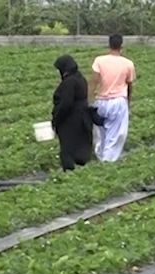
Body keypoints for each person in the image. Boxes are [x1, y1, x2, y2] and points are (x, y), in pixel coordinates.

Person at [90, 34, 135, 163]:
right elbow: (129, 85)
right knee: (115, 134)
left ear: (109, 44)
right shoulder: (128, 64)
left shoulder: (99, 60)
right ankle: (108, 161)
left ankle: (101, 157)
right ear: (121, 46)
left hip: (101, 100)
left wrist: (88, 101)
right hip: (118, 101)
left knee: (100, 133)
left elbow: (93, 82)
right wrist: (128, 103)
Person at [51, 54, 95, 172]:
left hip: (71, 120)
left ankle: (70, 172)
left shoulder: (69, 82)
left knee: (68, 148)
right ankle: (81, 170)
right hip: (82, 118)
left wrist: (56, 119)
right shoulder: (80, 78)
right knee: (80, 145)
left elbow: (66, 104)